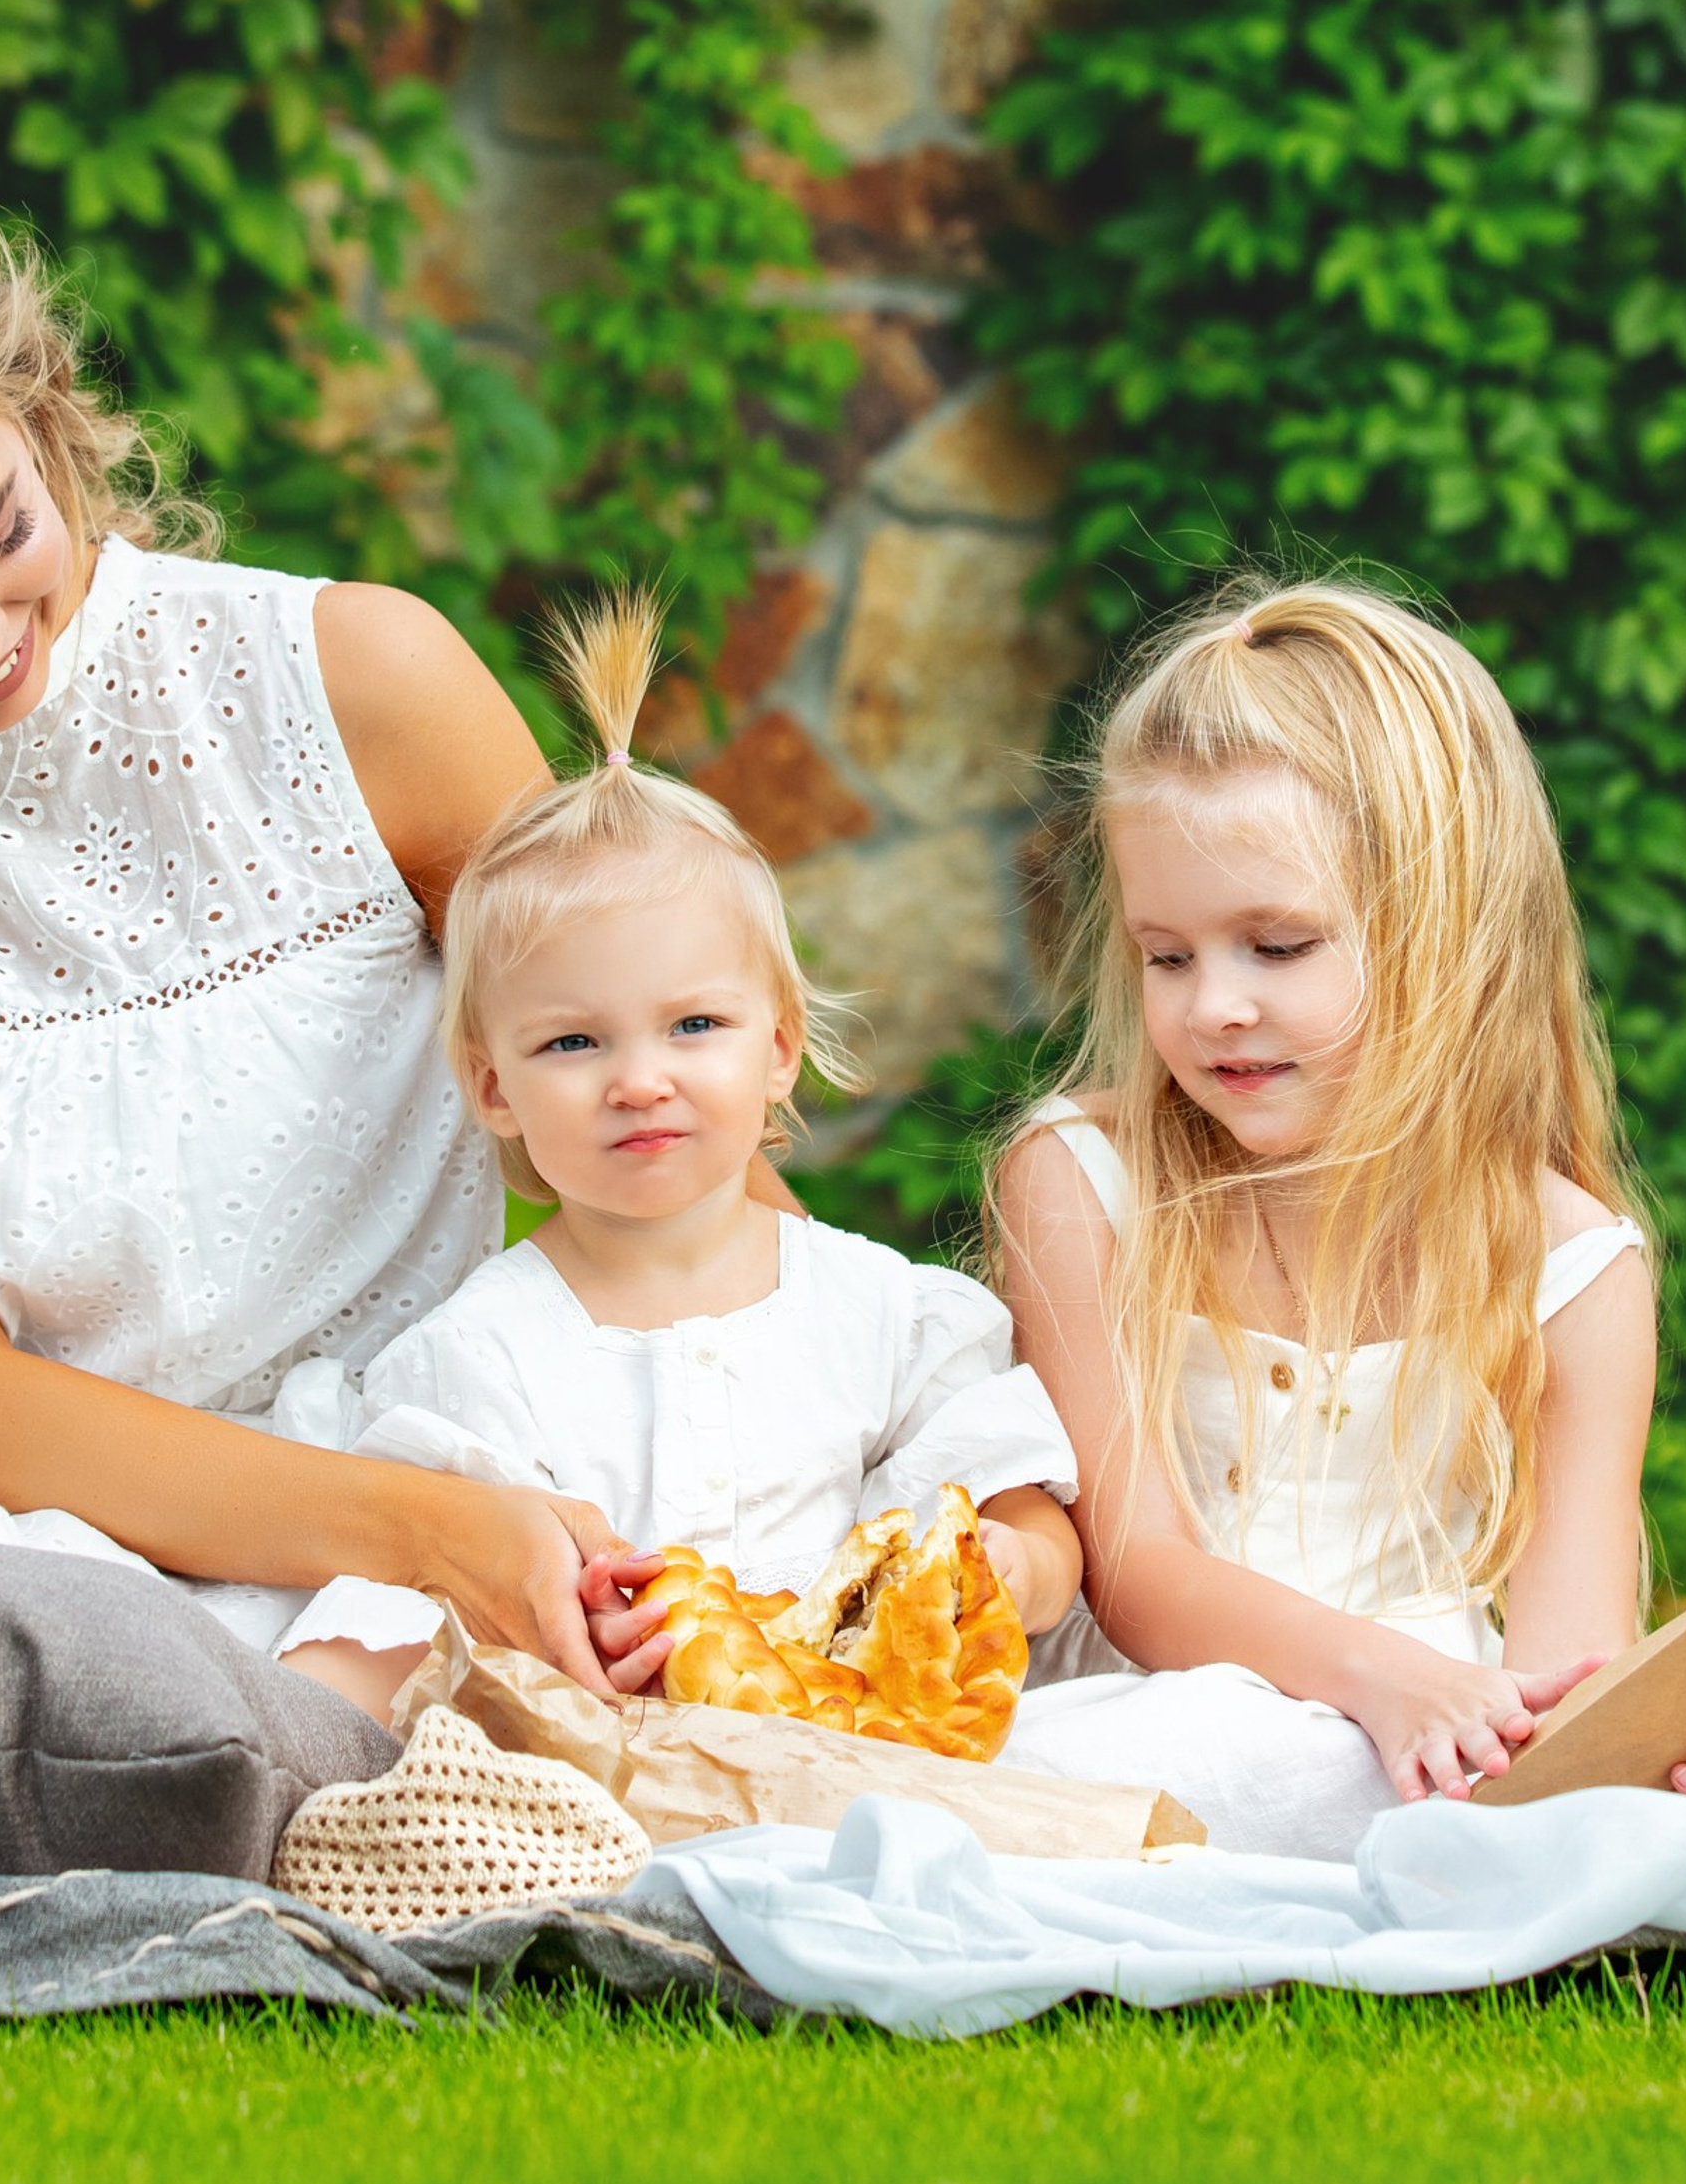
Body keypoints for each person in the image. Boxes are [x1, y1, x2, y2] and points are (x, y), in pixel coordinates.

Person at [0, 182, 694, 1686]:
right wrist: (420, 1534)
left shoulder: (359, 688)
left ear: (42, 414)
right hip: (1, 1527)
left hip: (440, 1460)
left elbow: (668, 1137)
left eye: (0, 535)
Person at [990, 577, 1686, 1856]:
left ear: (1447, 936)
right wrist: (1376, 1683)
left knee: (1580, 1809)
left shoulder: (1574, 1267)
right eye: (1168, 955)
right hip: (1155, 1722)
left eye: (1276, 946)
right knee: (1161, 1764)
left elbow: (1567, 1654)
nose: (1213, 1007)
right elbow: (1137, 1574)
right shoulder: (1079, 1180)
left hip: (1433, 1748)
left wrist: (1661, 1755)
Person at [268, 596, 1082, 1716]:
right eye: (572, 1041)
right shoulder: (481, 1358)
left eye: (694, 1026)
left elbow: (1024, 1507)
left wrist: (1009, 1570)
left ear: (781, 1049)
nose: (639, 1078)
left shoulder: (883, 1314)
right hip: (609, 1773)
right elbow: (435, 1607)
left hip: (864, 1745)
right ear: (493, 1087)